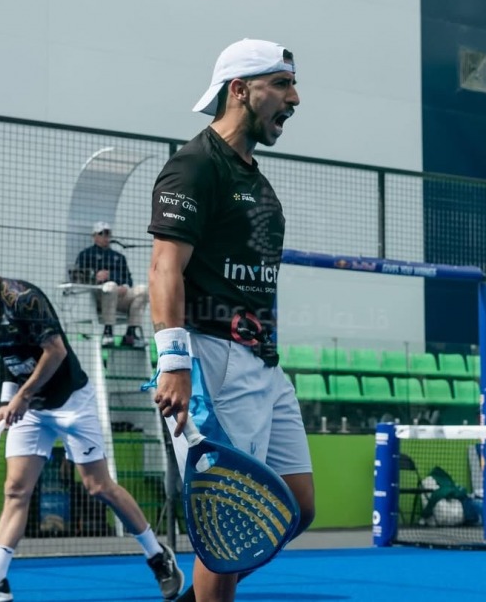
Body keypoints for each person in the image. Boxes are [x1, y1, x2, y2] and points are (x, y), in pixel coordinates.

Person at [146, 38, 315, 602]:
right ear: (240, 90)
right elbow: (164, 268)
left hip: (264, 363)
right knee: (226, 530)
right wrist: (174, 363)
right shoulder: (194, 164)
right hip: (213, 360)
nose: (295, 97)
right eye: (282, 84)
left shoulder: (255, 177)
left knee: (297, 506)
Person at [0, 246, 183, 602]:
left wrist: (22, 396)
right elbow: (12, 359)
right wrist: (7, 400)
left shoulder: (23, 299)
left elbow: (56, 352)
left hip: (71, 403)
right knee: (16, 490)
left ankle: (158, 556)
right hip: (32, 410)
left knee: (99, 487)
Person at [73, 221, 149, 348]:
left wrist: (123, 286)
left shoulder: (119, 257)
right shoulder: (85, 255)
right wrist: (94, 276)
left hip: (120, 295)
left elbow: (128, 279)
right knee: (110, 286)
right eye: (102, 233)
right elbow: (77, 277)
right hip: (99, 296)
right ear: (94, 236)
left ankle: (131, 334)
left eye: (108, 234)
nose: (105, 237)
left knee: (143, 290)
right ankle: (108, 332)